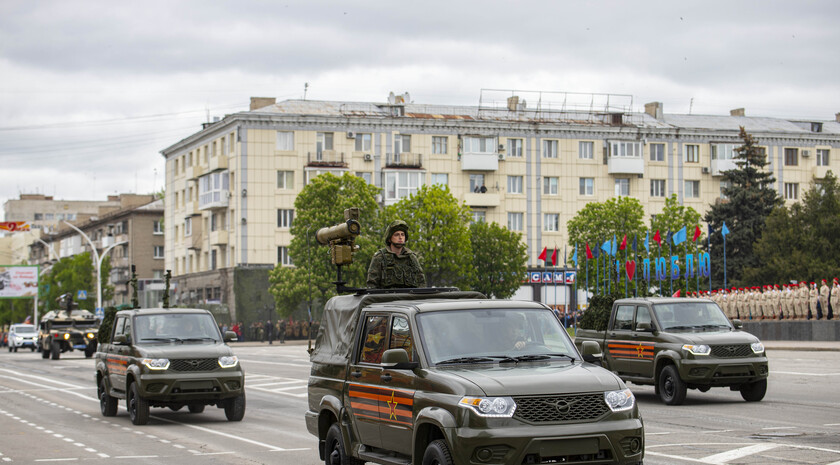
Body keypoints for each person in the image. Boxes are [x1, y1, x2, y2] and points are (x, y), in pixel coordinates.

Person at [366, 220, 427, 289]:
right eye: (396, 234)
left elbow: (421, 283)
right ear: (389, 239)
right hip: (387, 298)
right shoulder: (380, 257)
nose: (400, 237)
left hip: (409, 298)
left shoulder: (411, 257)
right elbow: (372, 285)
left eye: (402, 234)